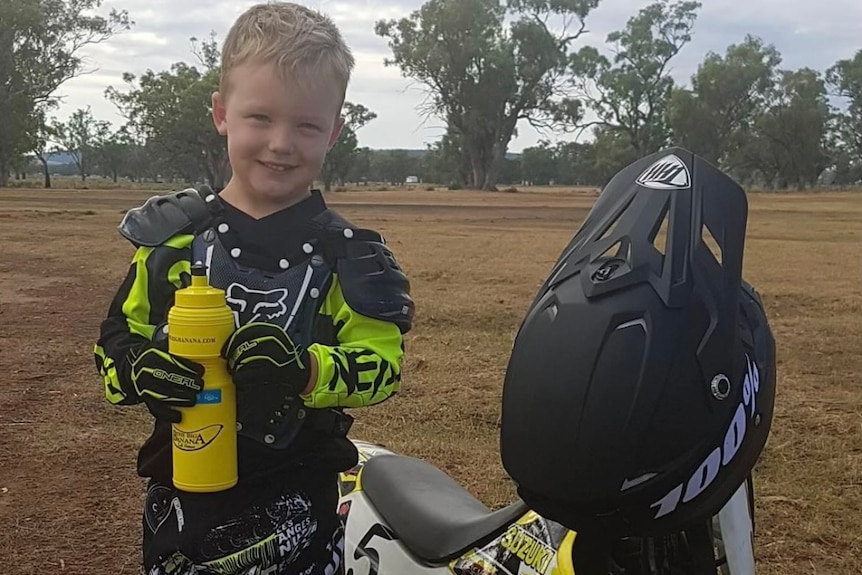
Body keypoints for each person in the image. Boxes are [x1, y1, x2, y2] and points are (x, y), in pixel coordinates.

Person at [92, 3, 414, 574]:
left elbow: (381, 367)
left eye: (307, 125)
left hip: (302, 503)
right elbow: (115, 347)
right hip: (181, 503)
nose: (281, 143)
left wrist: (303, 372)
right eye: (260, 117)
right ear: (221, 113)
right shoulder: (171, 241)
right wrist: (141, 369)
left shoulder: (348, 255)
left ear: (335, 131)